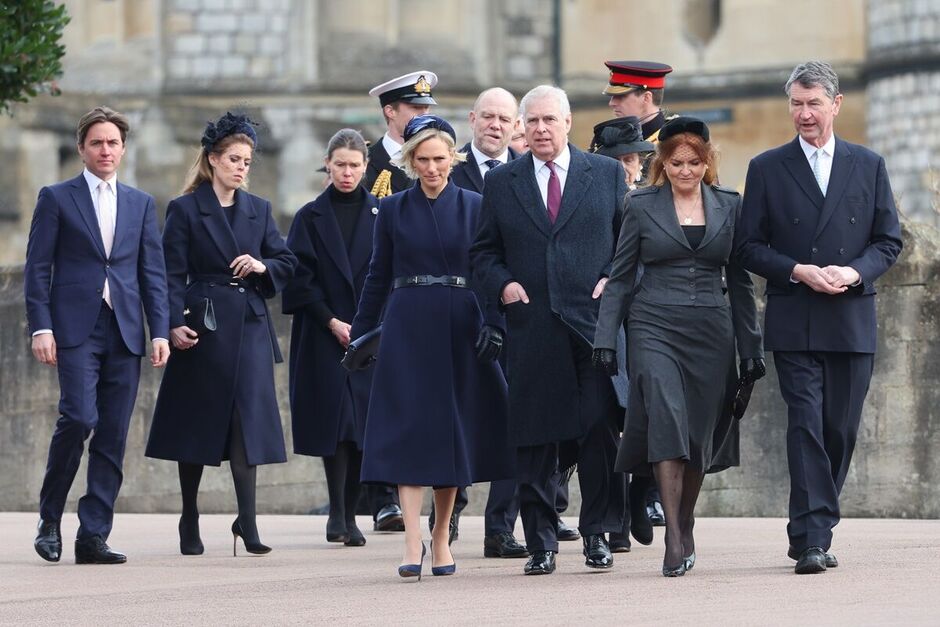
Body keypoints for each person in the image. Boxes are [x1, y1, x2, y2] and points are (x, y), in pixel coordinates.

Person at [735, 61, 902, 575]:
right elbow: (747, 246)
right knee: (805, 424)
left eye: (813, 103)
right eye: (796, 104)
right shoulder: (766, 166)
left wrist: (852, 273)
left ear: (836, 104)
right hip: (795, 316)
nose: (803, 114)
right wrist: (797, 270)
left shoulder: (868, 164)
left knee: (839, 430)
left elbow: (888, 241)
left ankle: (816, 524)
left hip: (851, 317)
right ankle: (810, 537)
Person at [593, 116, 765, 576]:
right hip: (653, 325)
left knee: (698, 436)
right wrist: (606, 337)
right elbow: (622, 274)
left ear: (706, 163)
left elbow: (741, 281)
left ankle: (685, 519)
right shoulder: (641, 205)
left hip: (712, 328)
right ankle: (673, 534)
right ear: (662, 165)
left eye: (693, 162)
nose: (684, 170)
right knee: (666, 420)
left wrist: (751, 349)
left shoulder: (729, 204)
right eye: (675, 163)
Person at [470, 85, 629, 576]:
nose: (540, 129)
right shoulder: (503, 183)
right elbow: (482, 253)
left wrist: (611, 278)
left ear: (568, 123)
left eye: (549, 121)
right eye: (532, 121)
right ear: (523, 127)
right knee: (535, 438)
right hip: (532, 325)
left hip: (593, 327)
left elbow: (630, 243)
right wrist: (504, 285)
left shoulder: (604, 174)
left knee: (600, 428)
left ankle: (598, 532)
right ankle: (541, 541)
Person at [350, 114, 513, 580]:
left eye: (440, 158)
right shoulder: (394, 209)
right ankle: (409, 541)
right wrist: (362, 333)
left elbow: (489, 271)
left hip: (462, 321)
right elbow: (377, 277)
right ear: (409, 160)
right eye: (422, 159)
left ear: (452, 157)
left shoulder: (477, 205)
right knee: (410, 431)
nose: (432, 167)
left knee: (452, 432)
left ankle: (440, 536)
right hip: (407, 322)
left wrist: (494, 323)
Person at [146, 112, 297, 556]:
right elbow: (169, 271)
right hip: (202, 325)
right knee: (196, 421)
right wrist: (172, 323)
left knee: (245, 422)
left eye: (247, 160)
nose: (241, 167)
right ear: (212, 160)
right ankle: (189, 515)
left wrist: (263, 265)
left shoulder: (259, 210)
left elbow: (287, 261)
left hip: (248, 325)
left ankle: (247, 520)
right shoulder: (185, 209)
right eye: (234, 158)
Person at [26, 106, 170, 565]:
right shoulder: (56, 197)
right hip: (73, 329)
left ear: (123, 149)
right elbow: (37, 268)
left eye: (112, 143)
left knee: (112, 433)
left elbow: (152, 272)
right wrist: (41, 326)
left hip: (125, 329)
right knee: (79, 418)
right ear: (81, 149)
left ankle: (93, 534)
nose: (105, 150)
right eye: (96, 143)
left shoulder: (140, 203)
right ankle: (50, 517)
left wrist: (159, 330)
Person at [282, 129, 378, 548]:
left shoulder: (382, 213)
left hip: (370, 333)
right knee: (335, 425)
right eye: (339, 164)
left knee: (363, 427)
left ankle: (348, 511)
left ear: (365, 168)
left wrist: (368, 323)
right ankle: (339, 514)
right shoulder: (309, 217)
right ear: (328, 165)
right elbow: (298, 279)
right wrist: (332, 322)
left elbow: (389, 273)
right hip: (324, 333)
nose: (347, 172)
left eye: (354, 165)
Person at [603, 59, 675, 528]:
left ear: (646, 98)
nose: (611, 102)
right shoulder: (609, 144)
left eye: (620, 96)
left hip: (659, 288)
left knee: (654, 396)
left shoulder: (675, 143)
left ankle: (647, 492)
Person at [588, 114, 655, 553]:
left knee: (651, 414)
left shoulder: (654, 198)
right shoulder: (593, 195)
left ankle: (641, 495)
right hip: (610, 318)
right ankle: (613, 519)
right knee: (610, 419)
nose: (632, 166)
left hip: (651, 316)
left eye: (636, 158)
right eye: (623, 158)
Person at [364, 70, 438, 200]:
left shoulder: (440, 161)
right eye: (416, 107)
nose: (424, 115)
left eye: (426, 107)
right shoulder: (364, 163)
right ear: (390, 111)